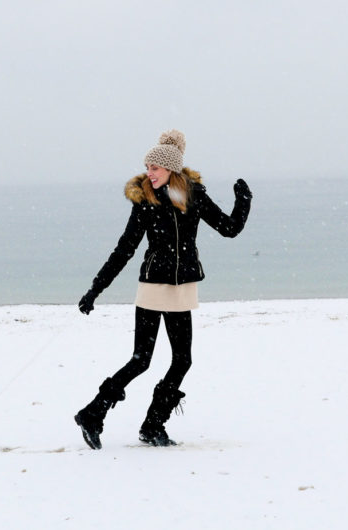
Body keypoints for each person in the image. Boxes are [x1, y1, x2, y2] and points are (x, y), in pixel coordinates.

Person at [74, 129, 252, 449]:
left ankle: (153, 426)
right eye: (147, 167)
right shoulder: (146, 200)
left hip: (183, 286)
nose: (149, 173)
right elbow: (124, 249)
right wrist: (95, 290)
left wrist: (244, 201)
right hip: (153, 286)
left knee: (182, 360)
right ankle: (93, 413)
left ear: (170, 168)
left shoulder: (193, 195)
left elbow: (229, 228)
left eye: (154, 168)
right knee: (141, 359)